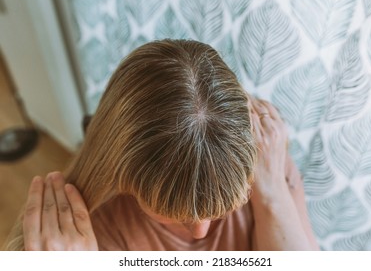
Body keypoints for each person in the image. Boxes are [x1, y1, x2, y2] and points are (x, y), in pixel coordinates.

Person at [4, 39, 319, 251]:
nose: (201, 231)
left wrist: (274, 195)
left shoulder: (264, 160)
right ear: (125, 174)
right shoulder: (91, 234)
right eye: (176, 214)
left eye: (225, 207)